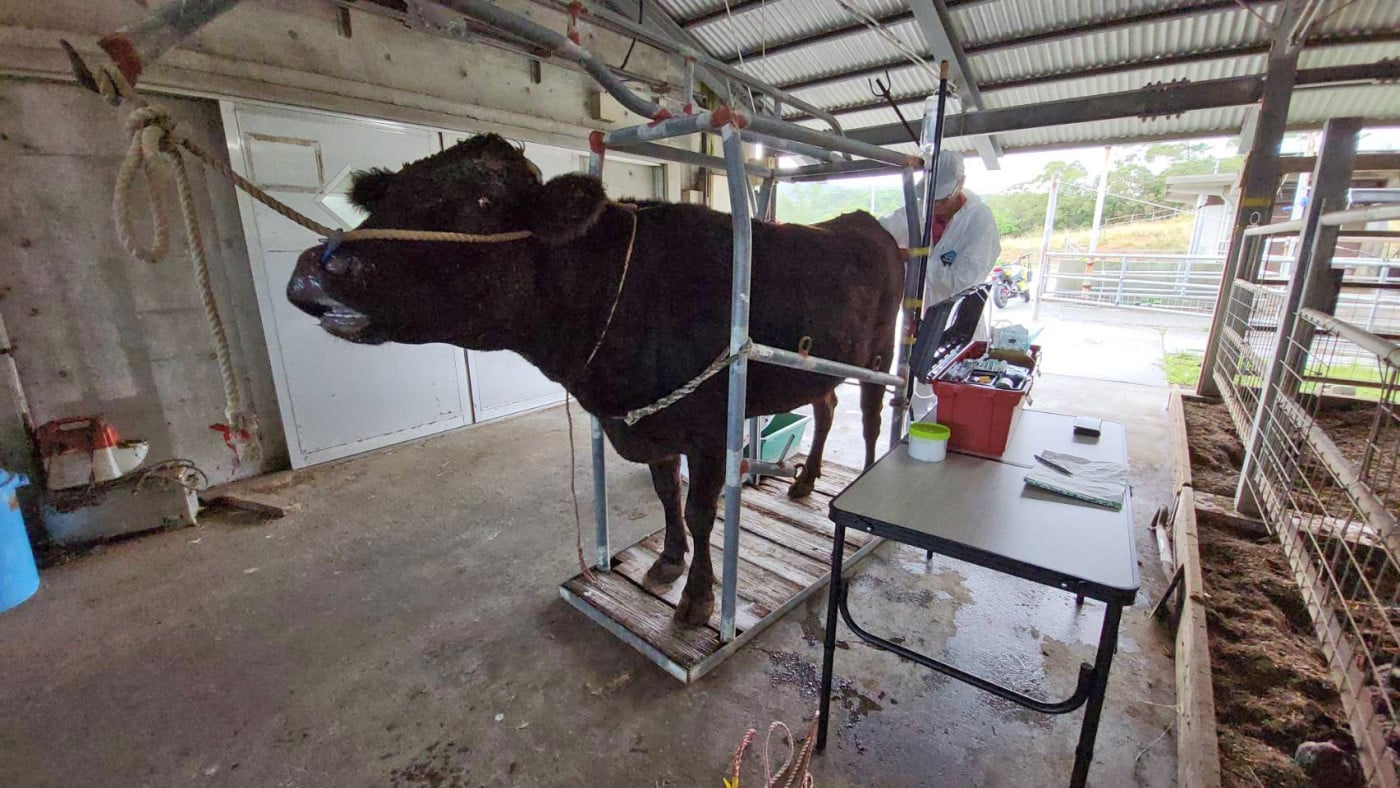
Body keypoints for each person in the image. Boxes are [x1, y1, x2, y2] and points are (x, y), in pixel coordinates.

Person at [878, 149, 1001, 307]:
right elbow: (880, 229)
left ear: (961, 183)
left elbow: (961, 281)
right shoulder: (919, 210)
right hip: (915, 317)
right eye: (930, 198)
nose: (934, 205)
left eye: (942, 198)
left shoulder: (979, 220)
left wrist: (913, 259)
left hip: (953, 321)